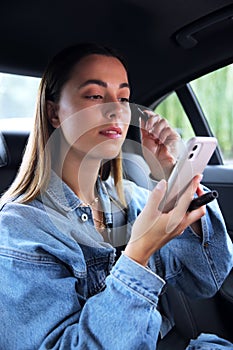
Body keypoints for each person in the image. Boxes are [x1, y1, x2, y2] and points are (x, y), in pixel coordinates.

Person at [0, 42, 232, 350]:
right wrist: (138, 255)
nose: (116, 109)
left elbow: (207, 278)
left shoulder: (132, 200)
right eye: (95, 95)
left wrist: (173, 171)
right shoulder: (17, 231)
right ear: (53, 113)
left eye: (123, 97)